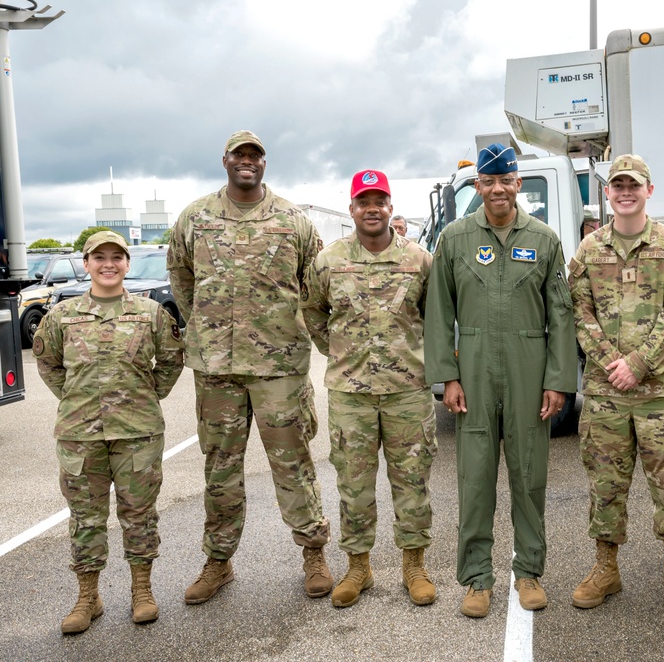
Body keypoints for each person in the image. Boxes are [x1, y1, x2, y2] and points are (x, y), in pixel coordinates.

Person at [167, 130, 333, 605]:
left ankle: (314, 553)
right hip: (216, 365)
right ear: (225, 161)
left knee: (293, 462)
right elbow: (180, 275)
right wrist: (203, 321)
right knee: (220, 466)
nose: (247, 162)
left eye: (254, 156)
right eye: (239, 155)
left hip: (278, 364)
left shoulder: (292, 220)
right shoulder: (194, 218)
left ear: (264, 164)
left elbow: (314, 283)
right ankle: (218, 561)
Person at [424, 143, 576, 618]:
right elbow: (438, 312)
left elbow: (562, 315)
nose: (496, 190)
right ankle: (476, 578)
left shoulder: (545, 240)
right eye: (487, 182)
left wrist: (558, 380)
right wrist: (447, 376)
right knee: (474, 479)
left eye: (504, 180)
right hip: (473, 368)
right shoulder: (455, 238)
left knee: (530, 475)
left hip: (529, 369)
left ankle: (528, 571)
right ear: (478, 186)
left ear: (517, 183)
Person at [567, 154, 664, 617]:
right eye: (618, 185)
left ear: (649, 190)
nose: (626, 192)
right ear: (608, 193)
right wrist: (611, 362)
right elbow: (579, 312)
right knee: (605, 483)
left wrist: (639, 364)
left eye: (634, 185)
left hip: (660, 393)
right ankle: (606, 567)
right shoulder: (589, 249)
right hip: (606, 393)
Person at [300, 170, 438, 608]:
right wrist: (338, 352)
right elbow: (312, 311)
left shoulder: (419, 260)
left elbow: (436, 316)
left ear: (390, 208)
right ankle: (358, 567)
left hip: (407, 391)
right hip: (350, 394)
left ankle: (414, 565)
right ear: (352, 209)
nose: (372, 208)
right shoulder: (329, 261)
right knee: (353, 484)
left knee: (412, 482)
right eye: (364, 201)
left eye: (380, 201)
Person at [35, 231, 184, 633]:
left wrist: (148, 395)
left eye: (116, 257)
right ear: (85, 264)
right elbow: (47, 363)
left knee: (139, 515)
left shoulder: (150, 313)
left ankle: (142, 590)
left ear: (126, 263)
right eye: (98, 257)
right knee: (86, 519)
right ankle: (88, 597)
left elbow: (171, 360)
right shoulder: (61, 316)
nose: (108, 264)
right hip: (80, 435)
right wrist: (72, 397)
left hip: (138, 432)